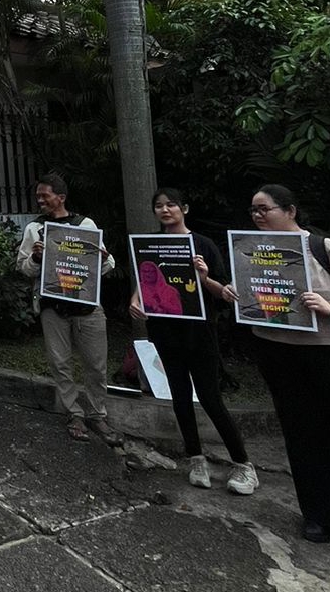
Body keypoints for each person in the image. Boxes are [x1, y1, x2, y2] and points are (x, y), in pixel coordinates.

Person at [224, 185, 330, 567]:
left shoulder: (324, 248)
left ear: (290, 210)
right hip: (279, 353)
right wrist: (235, 291)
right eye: (253, 210)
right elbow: (252, 293)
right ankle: (324, 516)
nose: (258, 216)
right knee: (302, 434)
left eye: (265, 209)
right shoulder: (250, 250)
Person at [128, 188, 256, 494]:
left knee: (211, 398)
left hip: (199, 333)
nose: (165, 210)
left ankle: (243, 464)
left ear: (184, 208)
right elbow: (143, 280)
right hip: (164, 331)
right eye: (158, 206)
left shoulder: (203, 245)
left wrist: (205, 277)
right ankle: (195, 458)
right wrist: (134, 300)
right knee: (181, 398)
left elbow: (224, 292)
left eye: (171, 204)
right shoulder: (151, 245)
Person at [16, 173, 122, 445]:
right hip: (53, 306)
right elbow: (23, 268)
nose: (40, 200)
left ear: (60, 198)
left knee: (96, 365)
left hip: (87, 305)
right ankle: (74, 414)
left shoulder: (84, 224)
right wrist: (37, 258)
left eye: (45, 195)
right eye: (38, 196)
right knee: (60, 363)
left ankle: (98, 414)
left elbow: (107, 267)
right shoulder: (34, 230)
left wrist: (104, 258)